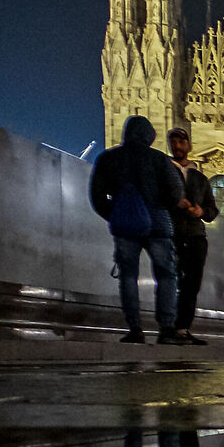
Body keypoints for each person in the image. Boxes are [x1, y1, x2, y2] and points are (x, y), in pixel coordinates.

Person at [87, 114, 187, 345]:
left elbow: (96, 195)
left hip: (126, 226)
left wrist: (115, 214)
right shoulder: (159, 159)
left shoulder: (109, 158)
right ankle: (166, 328)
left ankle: (135, 329)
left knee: (128, 277)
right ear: (149, 137)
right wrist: (161, 207)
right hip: (158, 226)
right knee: (166, 275)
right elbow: (176, 193)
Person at [162, 127, 217, 344]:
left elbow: (212, 210)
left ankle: (183, 328)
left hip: (195, 236)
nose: (177, 146)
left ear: (188, 145)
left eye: (181, 142)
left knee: (192, 284)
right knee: (170, 280)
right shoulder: (164, 172)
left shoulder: (200, 178)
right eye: (173, 142)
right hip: (171, 233)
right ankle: (167, 326)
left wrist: (201, 211)